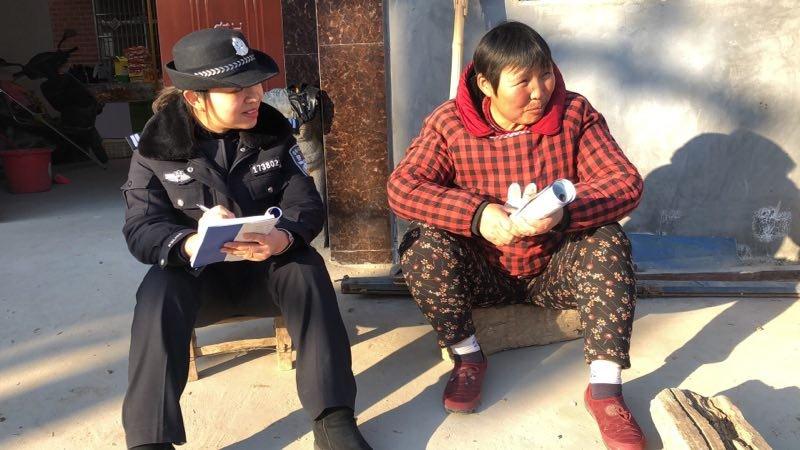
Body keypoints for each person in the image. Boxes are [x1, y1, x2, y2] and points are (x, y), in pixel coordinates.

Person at [387, 22, 646, 450]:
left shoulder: (574, 114)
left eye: (545, 74)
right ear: (486, 85)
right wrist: (477, 214)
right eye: (522, 81)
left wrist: (564, 214)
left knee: (607, 239)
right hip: (484, 273)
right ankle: (468, 357)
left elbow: (624, 182)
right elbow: (402, 187)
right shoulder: (450, 123)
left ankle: (606, 390)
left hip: (554, 268)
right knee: (421, 246)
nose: (539, 91)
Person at [120, 28, 371, 450]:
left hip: (266, 275)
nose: (255, 96)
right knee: (157, 291)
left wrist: (282, 239)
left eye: (256, 84)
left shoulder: (273, 131)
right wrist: (189, 243)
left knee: (306, 269)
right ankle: (150, 439)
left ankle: (333, 419)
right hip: (198, 284)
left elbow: (306, 204)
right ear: (195, 97)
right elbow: (141, 227)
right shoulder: (155, 147)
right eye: (237, 90)